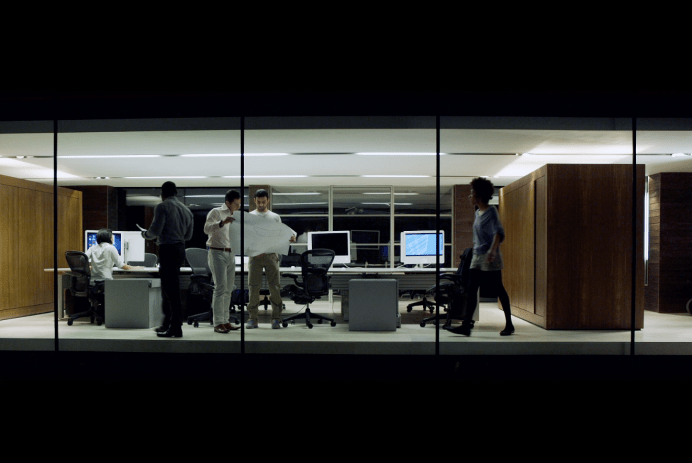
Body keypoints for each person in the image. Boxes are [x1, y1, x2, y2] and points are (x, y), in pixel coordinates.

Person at [448, 177, 515, 336]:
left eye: (472, 193)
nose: (469, 196)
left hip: (489, 256)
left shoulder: (491, 212)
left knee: (499, 289)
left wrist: (493, 250)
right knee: (471, 290)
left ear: (479, 196)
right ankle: (466, 326)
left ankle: (509, 324)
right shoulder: (478, 213)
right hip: (477, 256)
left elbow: (498, 232)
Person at [142, 181, 194, 338]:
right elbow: (188, 236)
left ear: (162, 194)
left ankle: (175, 327)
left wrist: (145, 234)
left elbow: (155, 230)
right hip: (180, 249)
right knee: (171, 288)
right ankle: (168, 323)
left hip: (168, 249)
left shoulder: (162, 207)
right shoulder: (187, 210)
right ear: (176, 193)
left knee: (170, 290)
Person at [246, 189, 296, 329]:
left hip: (271, 255)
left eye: (263, 202)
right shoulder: (249, 216)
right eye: (259, 202)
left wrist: (290, 237)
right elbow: (246, 237)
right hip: (255, 256)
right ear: (255, 201)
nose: (261, 204)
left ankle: (276, 318)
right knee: (253, 287)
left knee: (274, 286)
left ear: (268, 200)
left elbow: (282, 233)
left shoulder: (275, 217)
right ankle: (252, 318)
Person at [204, 189, 242, 333]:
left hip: (231, 253)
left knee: (228, 289)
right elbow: (206, 229)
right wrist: (222, 222)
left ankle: (226, 321)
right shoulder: (216, 212)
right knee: (220, 288)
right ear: (228, 203)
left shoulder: (236, 216)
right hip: (217, 252)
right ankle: (218, 323)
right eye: (236, 204)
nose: (238, 206)